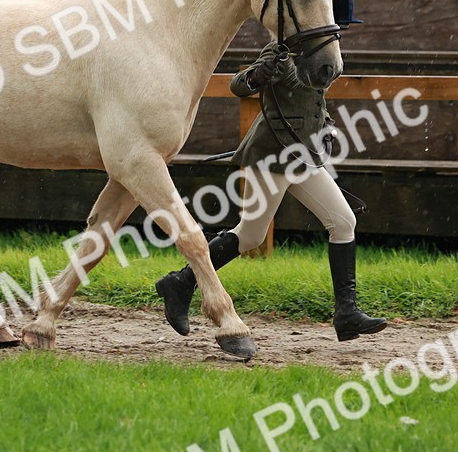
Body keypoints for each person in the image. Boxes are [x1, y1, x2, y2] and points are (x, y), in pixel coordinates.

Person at [155, 38, 387, 343]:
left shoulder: (323, 52)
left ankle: (347, 313)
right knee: (252, 235)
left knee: (344, 222)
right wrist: (257, 75)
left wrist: (325, 123)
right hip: (272, 155)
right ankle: (181, 282)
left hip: (304, 155)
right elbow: (239, 85)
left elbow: (313, 100)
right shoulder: (282, 49)